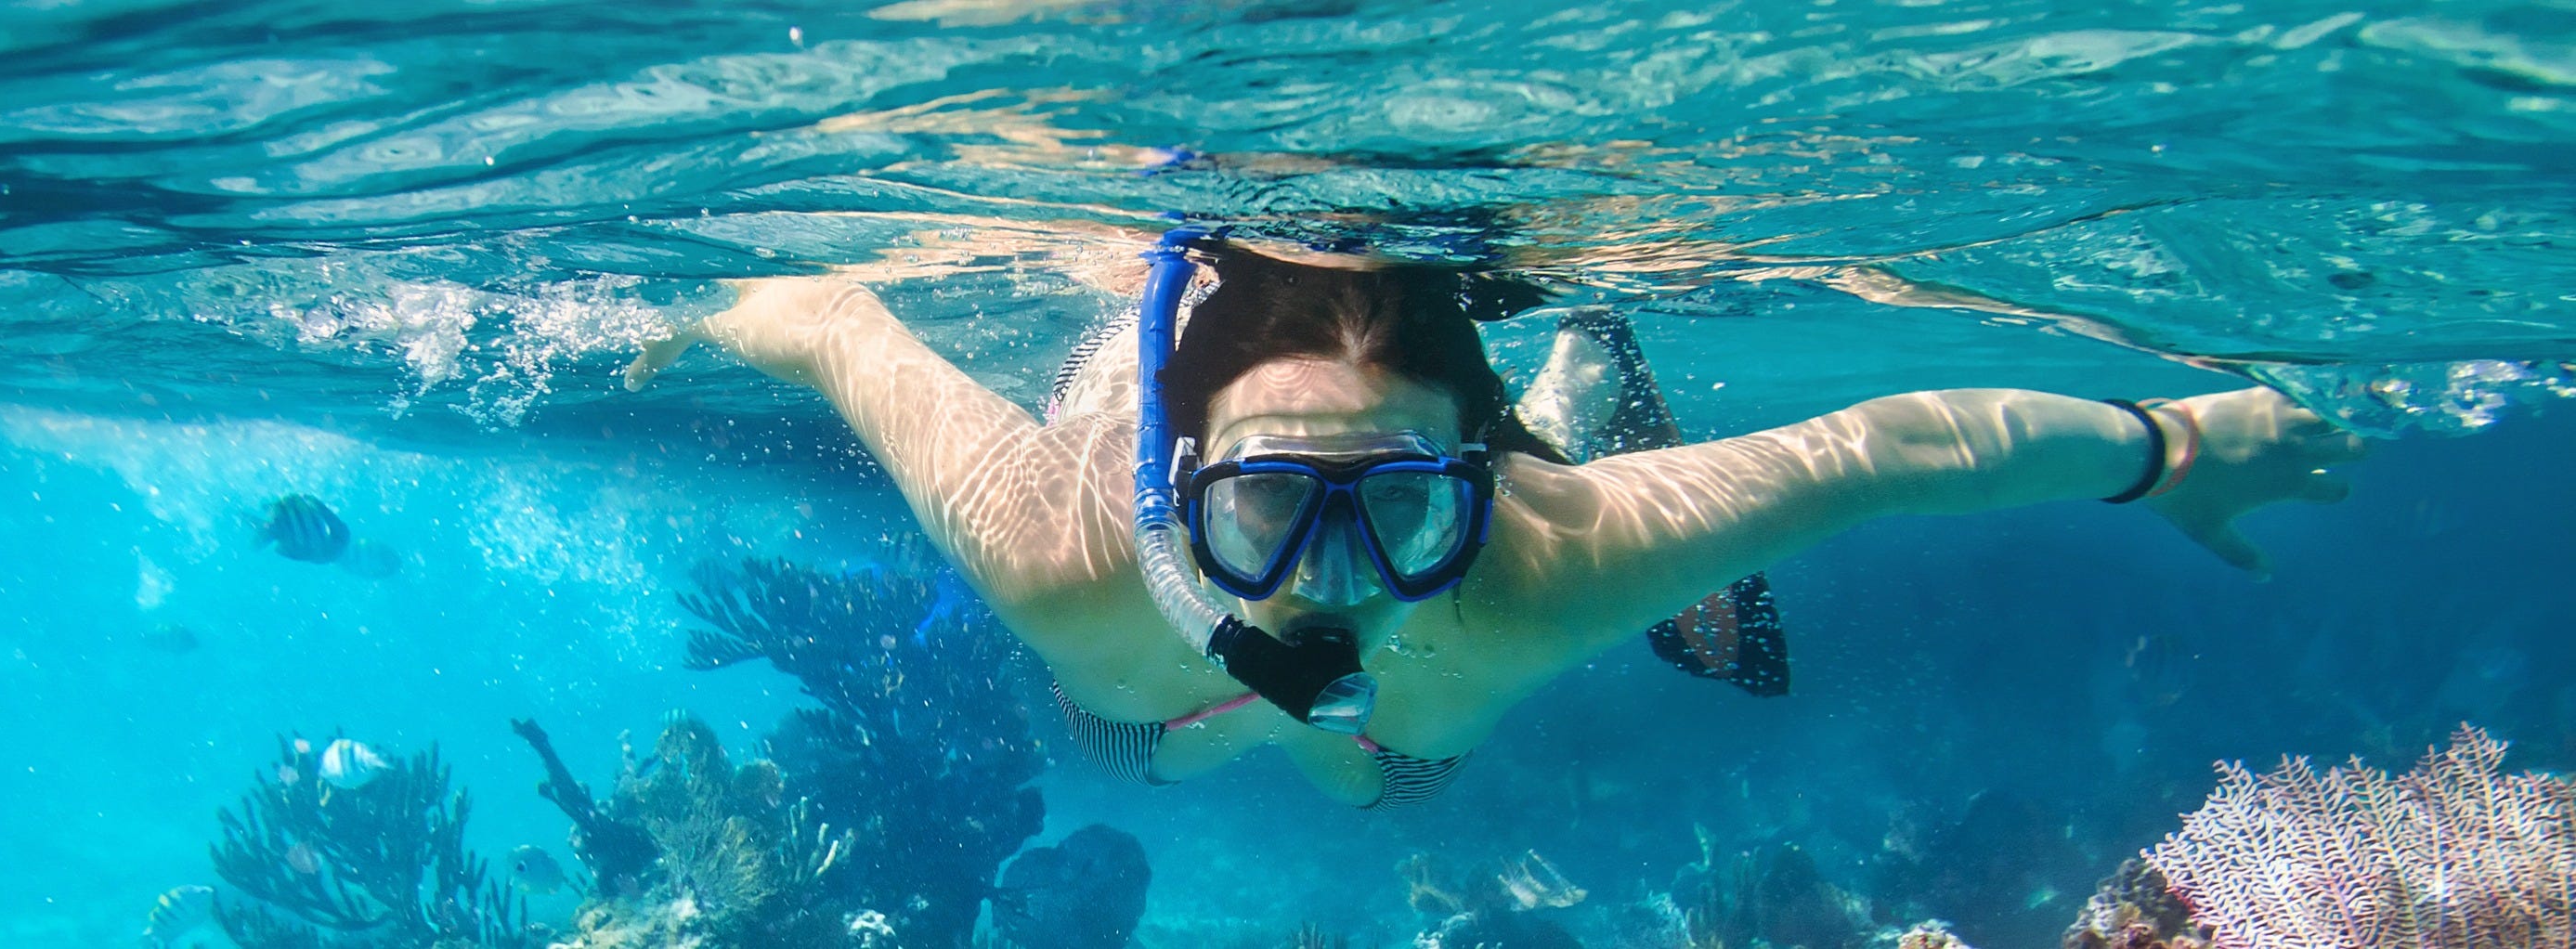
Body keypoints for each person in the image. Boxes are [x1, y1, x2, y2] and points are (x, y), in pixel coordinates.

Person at [621, 232, 2364, 809]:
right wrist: (689, 321)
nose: (1326, 581)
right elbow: (841, 315)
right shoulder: (1055, 549)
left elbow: (1888, 447)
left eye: (1397, 510)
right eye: (1269, 507)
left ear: (1481, 482)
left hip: (1423, 665)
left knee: (1378, 768)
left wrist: (2173, 442)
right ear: (1176, 490)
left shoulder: (1550, 555)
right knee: (1151, 735)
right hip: (1144, 710)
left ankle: (1574, 389)